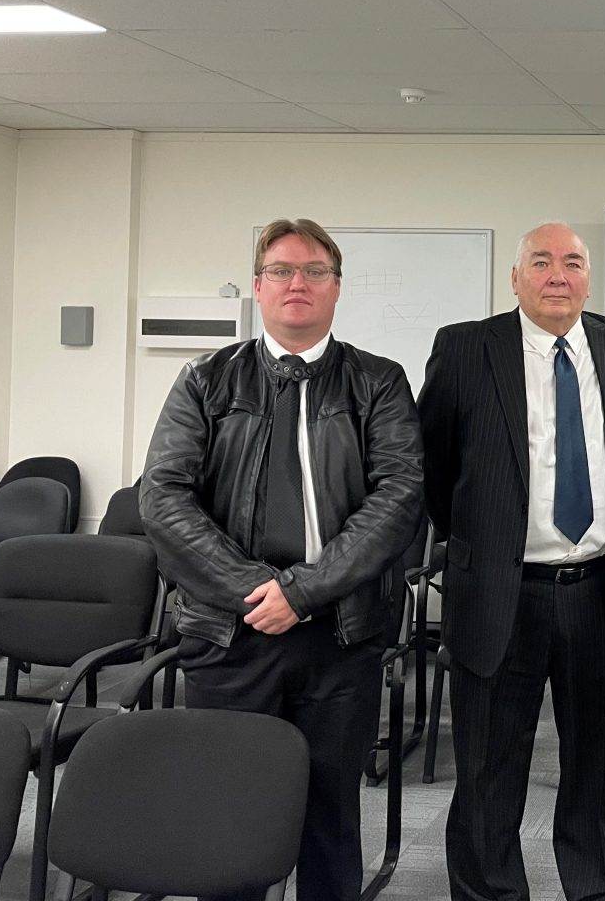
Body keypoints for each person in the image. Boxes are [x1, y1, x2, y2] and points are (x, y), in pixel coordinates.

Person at [141, 218, 423, 901]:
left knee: (329, 814)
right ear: (259, 286)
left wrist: (302, 592)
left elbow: (400, 496)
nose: (298, 283)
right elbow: (163, 496)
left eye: (315, 271)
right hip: (230, 633)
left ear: (336, 287)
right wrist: (256, 590)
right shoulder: (206, 379)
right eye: (282, 271)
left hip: (340, 633)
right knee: (229, 814)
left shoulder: (378, 382)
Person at [418, 222, 605, 901]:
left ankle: (598, 890)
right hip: (500, 592)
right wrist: (479, 546)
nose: (557, 276)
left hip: (599, 591)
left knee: (598, 769)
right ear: (515, 278)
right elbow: (434, 469)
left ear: (588, 278)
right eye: (541, 262)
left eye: (572, 262)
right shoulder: (465, 348)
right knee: (488, 770)